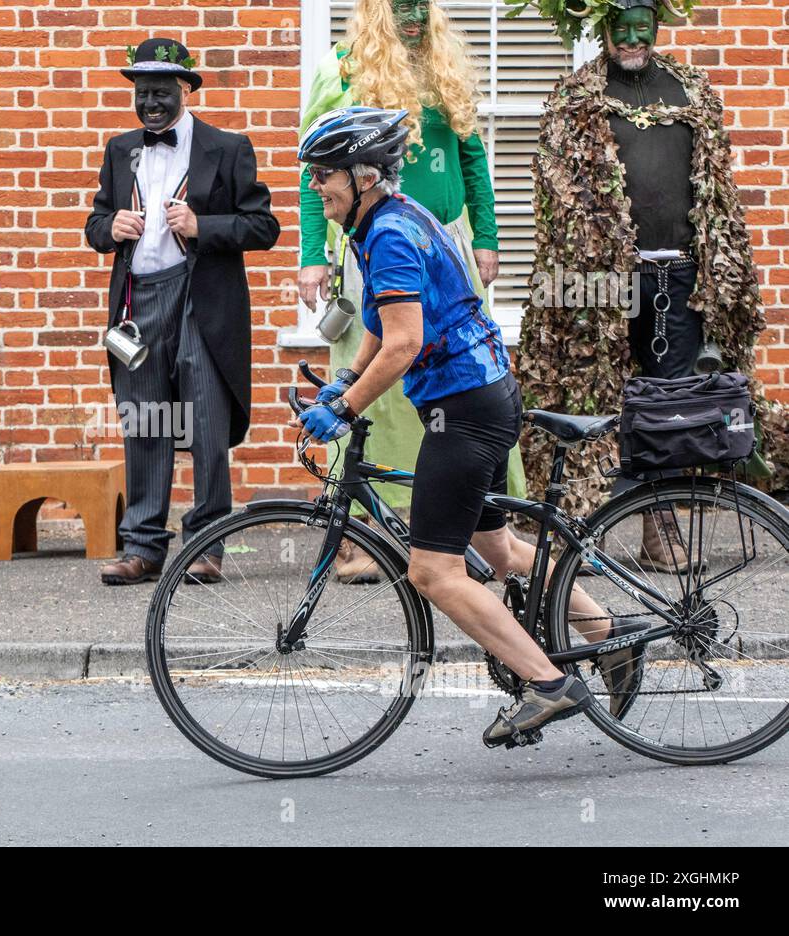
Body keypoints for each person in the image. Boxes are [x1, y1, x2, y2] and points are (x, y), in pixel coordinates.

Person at [293, 106, 644, 748]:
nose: (317, 187)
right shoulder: (389, 220)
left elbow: (404, 343)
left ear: (364, 174)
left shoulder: (390, 233)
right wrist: (346, 380)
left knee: (432, 572)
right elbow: (380, 322)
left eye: (325, 175)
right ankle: (608, 636)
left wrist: (344, 410)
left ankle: (549, 684)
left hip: (466, 409)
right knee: (498, 550)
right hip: (477, 397)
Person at [515, 0, 786, 549]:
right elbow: (555, 198)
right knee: (590, 395)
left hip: (679, 275)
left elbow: (718, 189)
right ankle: (575, 528)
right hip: (600, 281)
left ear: (657, 27)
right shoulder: (575, 99)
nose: (633, 39)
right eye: (622, 28)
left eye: (643, 28)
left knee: (671, 402)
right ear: (603, 28)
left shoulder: (691, 92)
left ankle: (659, 526)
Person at [297, 0, 524, 583]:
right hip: (374, 238)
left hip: (438, 239)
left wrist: (489, 236)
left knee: (456, 374)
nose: (415, 17)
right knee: (369, 381)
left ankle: (479, 527)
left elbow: (472, 156)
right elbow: (315, 172)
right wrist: (312, 255)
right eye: (402, 6)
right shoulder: (343, 67)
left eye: (423, 6)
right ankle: (362, 536)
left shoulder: (444, 62)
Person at [85, 38, 280, 586]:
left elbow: (264, 227)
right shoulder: (120, 149)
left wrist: (203, 226)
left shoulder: (228, 146)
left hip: (201, 300)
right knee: (144, 420)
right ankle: (142, 548)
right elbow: (96, 223)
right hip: (138, 301)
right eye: (143, 92)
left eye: (162, 92)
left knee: (205, 420)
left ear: (186, 91)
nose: (151, 103)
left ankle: (207, 542)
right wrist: (109, 230)